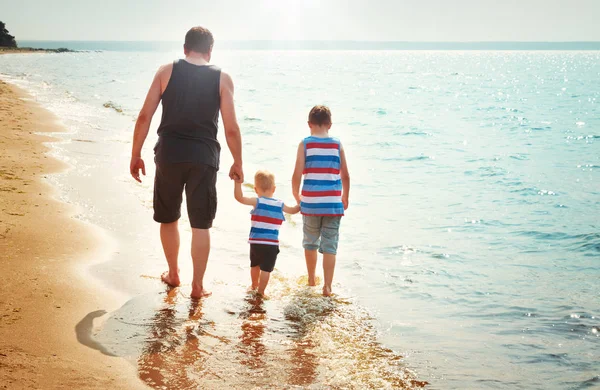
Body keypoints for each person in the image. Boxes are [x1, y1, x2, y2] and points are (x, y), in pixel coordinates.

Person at [129, 26, 243, 299]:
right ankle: (198, 286)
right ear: (210, 51)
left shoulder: (166, 71)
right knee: (200, 224)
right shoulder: (222, 78)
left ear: (184, 48)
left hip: (169, 154)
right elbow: (231, 128)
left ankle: (174, 273)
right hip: (204, 158)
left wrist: (136, 154)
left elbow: (145, 116)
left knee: (168, 217)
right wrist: (238, 161)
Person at [292, 105, 350, 296]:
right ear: (330, 125)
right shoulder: (337, 144)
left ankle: (310, 279)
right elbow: (346, 175)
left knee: (310, 242)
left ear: (309, 124)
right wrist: (345, 197)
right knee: (330, 245)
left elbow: (297, 174)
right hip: (333, 204)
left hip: (311, 204)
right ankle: (327, 286)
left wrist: (297, 196)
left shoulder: (305, 144)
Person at [234, 170, 300, 297]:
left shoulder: (257, 202)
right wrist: (301, 202)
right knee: (266, 269)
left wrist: (237, 183)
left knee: (254, 265)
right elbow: (293, 210)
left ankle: (254, 285)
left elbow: (239, 198)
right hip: (271, 244)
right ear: (274, 189)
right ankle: (261, 292)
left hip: (255, 243)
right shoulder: (280, 204)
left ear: (255, 189)